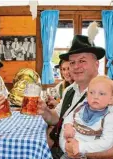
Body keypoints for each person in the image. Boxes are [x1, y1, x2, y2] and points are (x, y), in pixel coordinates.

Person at [37, 22, 113, 159]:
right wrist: (45, 111)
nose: (76, 66)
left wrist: (80, 152)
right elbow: (57, 117)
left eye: (82, 61)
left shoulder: (108, 92)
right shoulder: (70, 90)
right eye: (72, 62)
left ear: (96, 64)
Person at [59, 76, 113, 159]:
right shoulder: (81, 107)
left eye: (101, 94)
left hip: (89, 154)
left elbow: (107, 142)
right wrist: (68, 125)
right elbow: (69, 117)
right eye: (91, 92)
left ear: (111, 100)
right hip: (69, 152)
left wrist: (80, 147)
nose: (95, 97)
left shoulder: (109, 116)